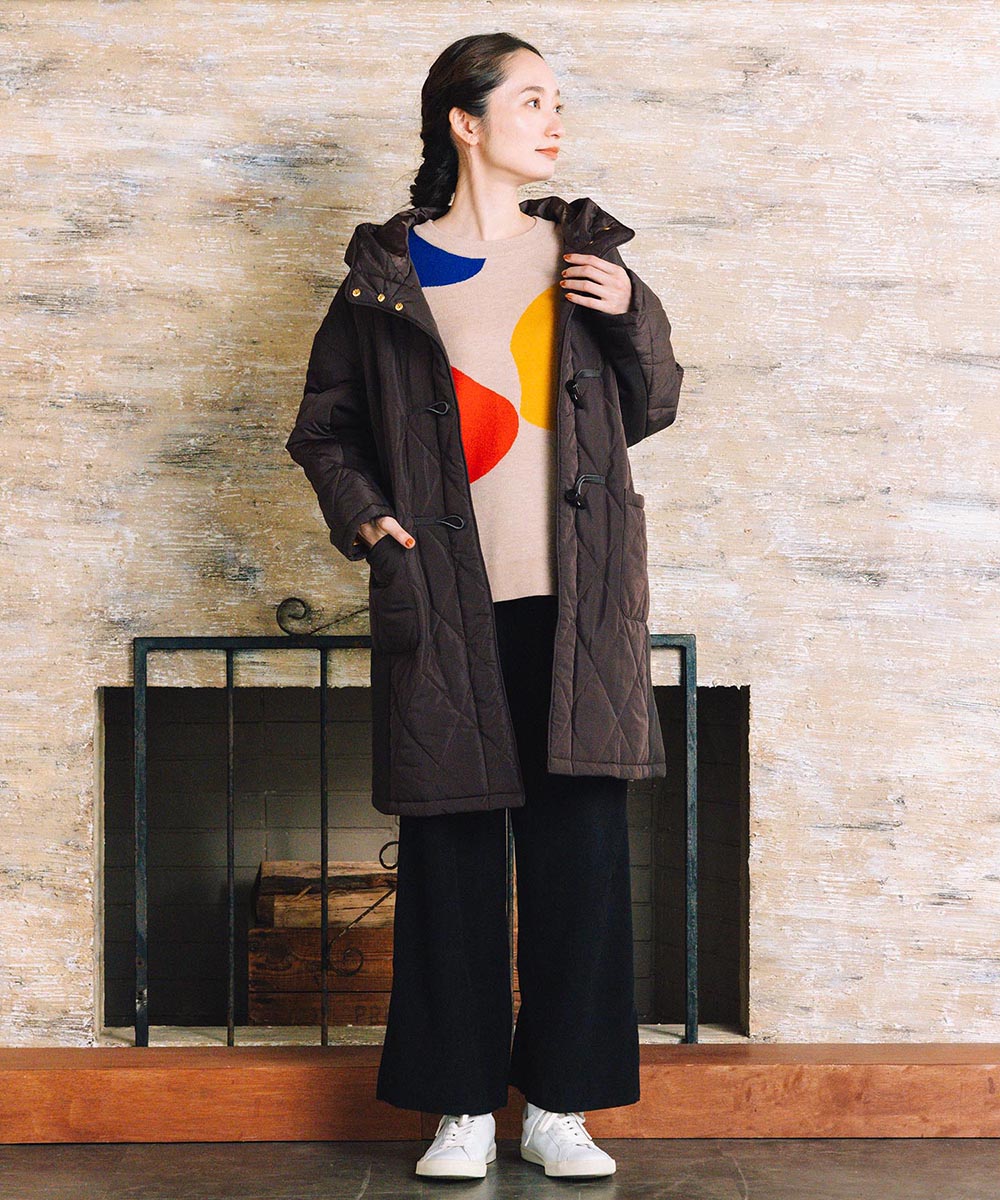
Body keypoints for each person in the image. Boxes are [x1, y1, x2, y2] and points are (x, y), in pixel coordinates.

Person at [286, 31, 684, 1183]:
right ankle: (458, 1107)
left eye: (559, 102)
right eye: (531, 101)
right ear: (464, 122)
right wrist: (368, 518)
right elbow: (323, 430)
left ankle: (561, 1106)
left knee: (581, 860)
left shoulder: (583, 254)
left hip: (579, 604)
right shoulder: (387, 274)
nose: (554, 121)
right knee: (450, 854)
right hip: (446, 602)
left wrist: (629, 310)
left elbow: (652, 404)